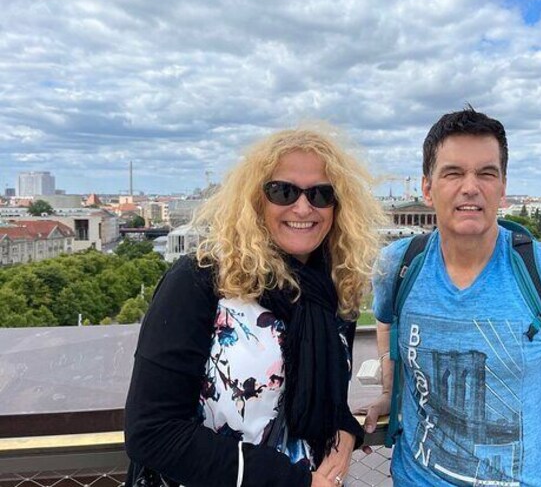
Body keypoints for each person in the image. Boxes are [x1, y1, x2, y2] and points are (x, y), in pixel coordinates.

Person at [124, 126, 385, 487]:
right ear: (255, 201)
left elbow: (324, 395)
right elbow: (152, 431)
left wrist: (345, 429)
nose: (304, 207)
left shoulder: (334, 294)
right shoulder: (200, 281)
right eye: (283, 191)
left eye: (322, 194)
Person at [361, 107, 541, 486]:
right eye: (453, 173)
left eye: (486, 173)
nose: (470, 187)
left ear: (503, 187)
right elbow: (385, 320)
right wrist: (390, 391)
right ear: (427, 188)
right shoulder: (397, 265)